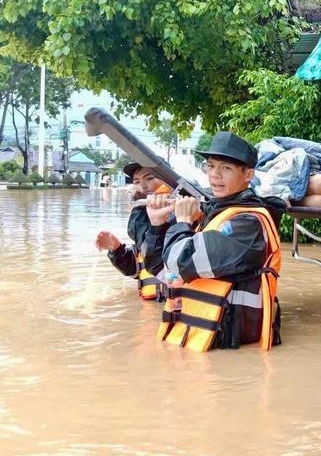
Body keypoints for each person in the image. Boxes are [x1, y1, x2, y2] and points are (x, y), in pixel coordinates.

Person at [146, 132, 286, 351]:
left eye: (226, 168)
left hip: (228, 350)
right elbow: (163, 272)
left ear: (248, 174)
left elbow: (180, 262)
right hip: (193, 341)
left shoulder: (247, 225)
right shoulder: (211, 216)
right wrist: (156, 224)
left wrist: (181, 222)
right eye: (210, 166)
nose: (215, 175)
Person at [95, 162, 171, 301]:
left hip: (176, 304)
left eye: (149, 178)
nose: (142, 186)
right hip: (152, 308)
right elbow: (137, 269)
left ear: (168, 180)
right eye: (136, 182)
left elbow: (156, 255)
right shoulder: (144, 219)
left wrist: (139, 207)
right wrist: (117, 249)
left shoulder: (181, 215)